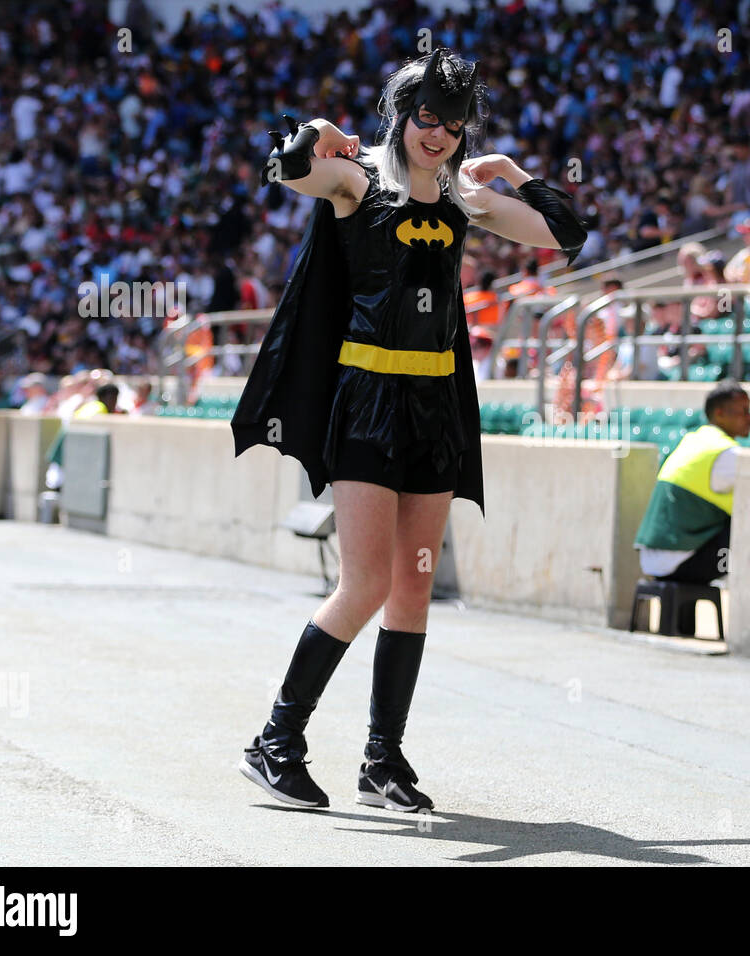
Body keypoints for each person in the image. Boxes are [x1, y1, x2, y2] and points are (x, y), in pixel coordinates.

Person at [231, 48, 586, 813]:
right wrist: (322, 127)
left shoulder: (465, 196)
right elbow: (287, 169)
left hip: (435, 407)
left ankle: (381, 761)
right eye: (428, 116)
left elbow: (567, 235)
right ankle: (275, 742)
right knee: (365, 582)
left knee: (414, 586)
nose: (440, 133)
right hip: (365, 398)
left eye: (454, 123)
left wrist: (512, 170)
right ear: (402, 113)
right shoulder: (359, 181)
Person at [633, 381, 750, 635]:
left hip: (652, 560)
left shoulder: (692, 440)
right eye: (742, 411)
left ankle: (684, 626)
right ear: (719, 414)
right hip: (682, 561)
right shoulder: (727, 454)